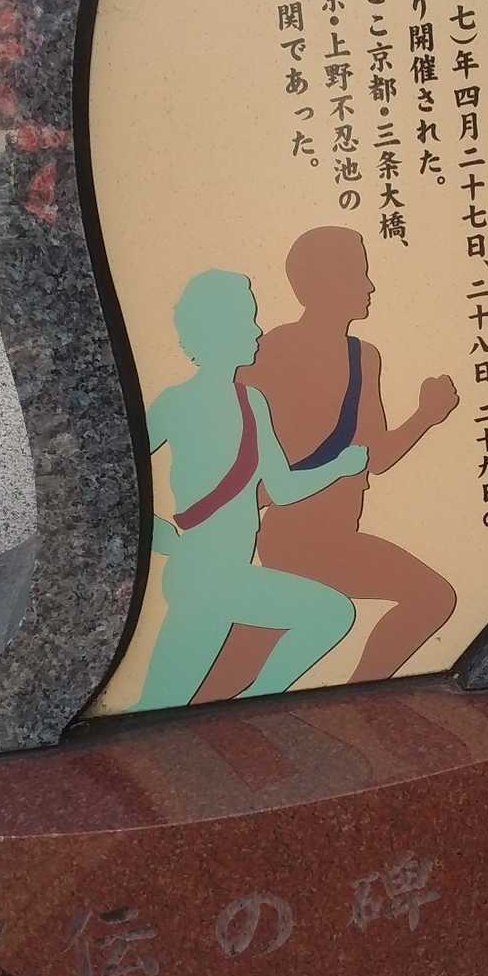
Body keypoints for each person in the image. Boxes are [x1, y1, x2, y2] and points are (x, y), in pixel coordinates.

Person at [197, 227, 458, 700]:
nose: (369, 286)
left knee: (244, 657)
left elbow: (375, 458)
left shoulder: (364, 357)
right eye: (357, 274)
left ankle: (356, 701)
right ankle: (358, 703)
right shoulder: (273, 350)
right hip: (293, 535)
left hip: (335, 533)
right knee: (430, 597)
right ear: (320, 283)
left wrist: (427, 415)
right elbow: (231, 435)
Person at [137, 268, 366, 711]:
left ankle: (255, 705)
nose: (258, 331)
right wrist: (152, 530)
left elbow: (282, 489)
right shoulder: (176, 403)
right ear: (217, 329)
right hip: (202, 573)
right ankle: (255, 706)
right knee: (159, 702)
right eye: (248, 320)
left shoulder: (251, 402)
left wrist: (338, 468)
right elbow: (120, 472)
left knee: (331, 614)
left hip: (227, 573)